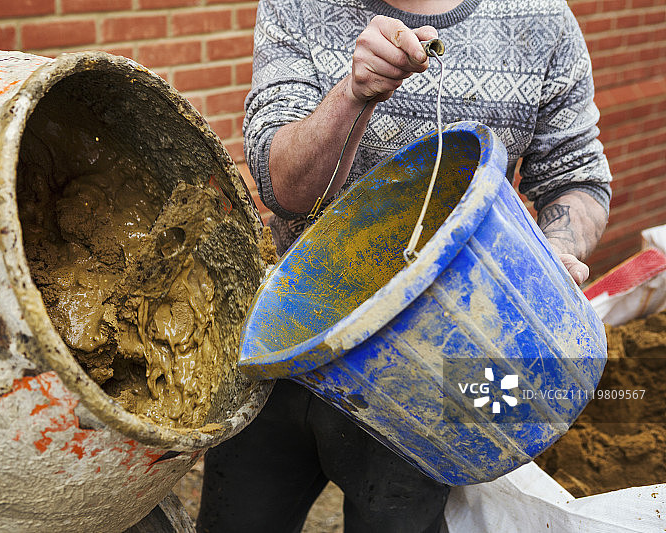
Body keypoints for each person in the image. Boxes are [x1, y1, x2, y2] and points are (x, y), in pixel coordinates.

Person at [197, 0, 612, 531]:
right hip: (284, 343)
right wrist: (353, 96)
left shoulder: (541, 20)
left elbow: (575, 173)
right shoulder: (299, 6)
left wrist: (551, 253)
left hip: (430, 373)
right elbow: (284, 190)